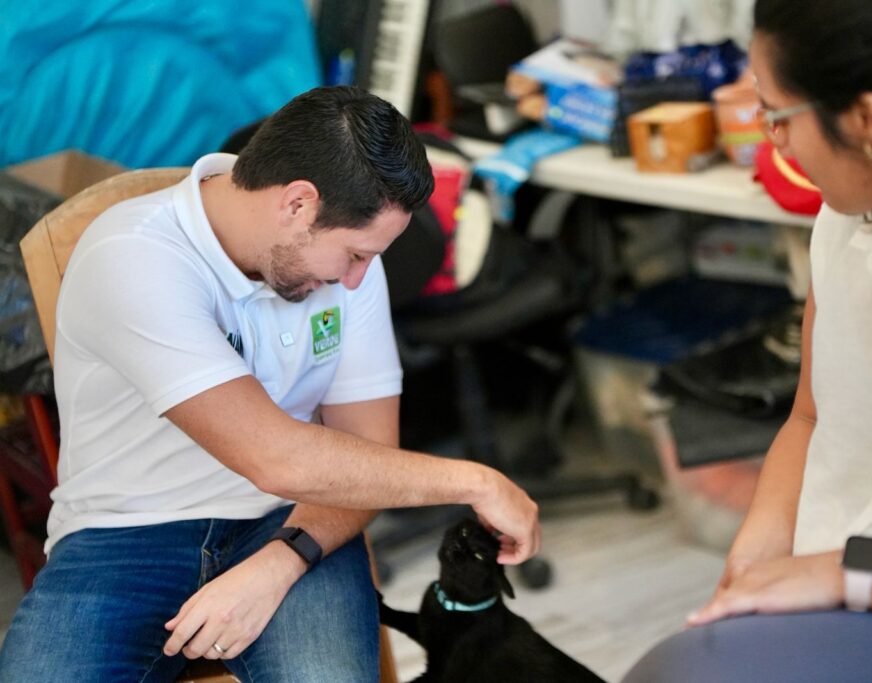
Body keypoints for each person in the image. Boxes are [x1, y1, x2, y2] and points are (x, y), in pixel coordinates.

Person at [0, 86, 540, 682]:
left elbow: (369, 451)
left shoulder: (348, 259)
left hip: (292, 520)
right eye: (355, 255)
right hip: (123, 535)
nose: (359, 281)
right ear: (298, 204)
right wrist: (477, 481)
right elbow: (274, 456)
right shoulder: (134, 256)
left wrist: (282, 561)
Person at [625, 1, 872, 680]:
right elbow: (811, 416)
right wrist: (755, 556)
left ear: (869, 121)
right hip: (839, 586)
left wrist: (849, 571)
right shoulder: (848, 221)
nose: (771, 140)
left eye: (777, 116)